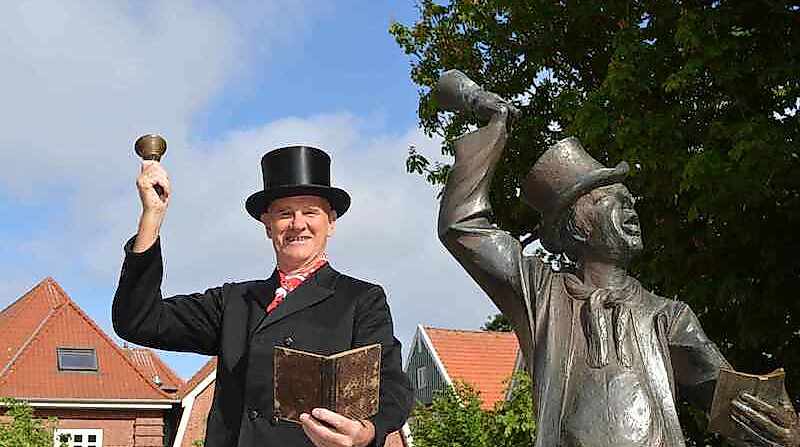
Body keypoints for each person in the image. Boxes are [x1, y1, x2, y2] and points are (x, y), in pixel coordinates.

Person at [435, 70, 799, 447]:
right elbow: (462, 224)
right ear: (576, 225)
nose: (630, 207)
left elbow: (742, 412)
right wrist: (492, 126)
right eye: (610, 198)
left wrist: (783, 433)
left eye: (630, 199)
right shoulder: (541, 294)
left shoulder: (668, 317)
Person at [113, 145, 412, 447]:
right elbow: (138, 321)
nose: (297, 224)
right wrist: (153, 215)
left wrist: (367, 431)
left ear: (330, 222)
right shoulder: (233, 301)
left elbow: (392, 387)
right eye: (284, 213)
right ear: (268, 225)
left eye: (310, 212)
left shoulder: (360, 299)